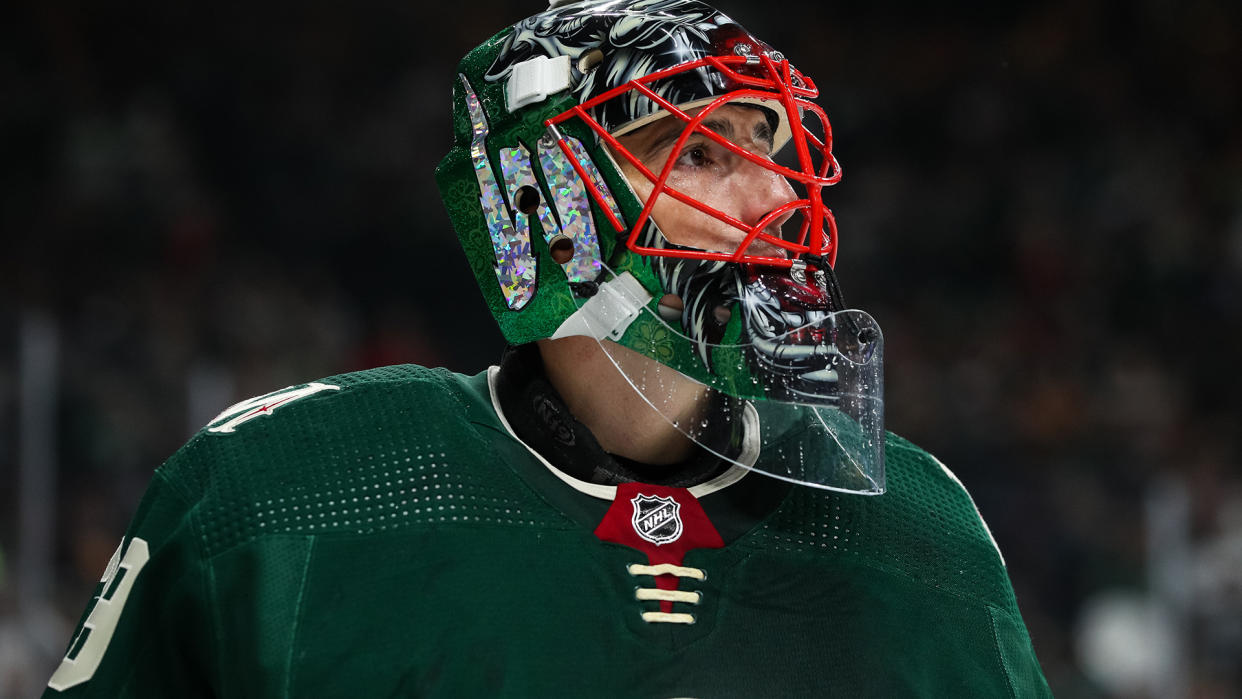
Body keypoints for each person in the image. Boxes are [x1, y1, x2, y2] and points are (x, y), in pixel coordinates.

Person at [45, 1, 1051, 696]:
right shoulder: (279, 490)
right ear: (545, 201)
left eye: (774, 150)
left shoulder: (923, 528)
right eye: (702, 150)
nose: (779, 195)